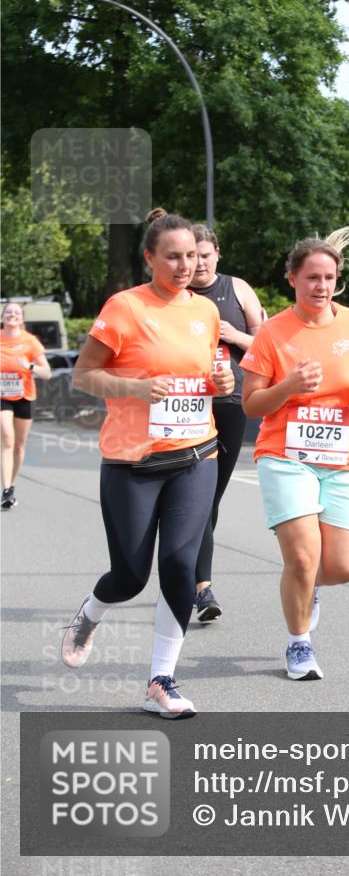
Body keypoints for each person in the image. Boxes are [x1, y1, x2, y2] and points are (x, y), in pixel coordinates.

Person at [61, 209, 234, 718]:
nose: (185, 266)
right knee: (131, 576)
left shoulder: (204, 312)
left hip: (195, 454)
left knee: (181, 564)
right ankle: (91, 613)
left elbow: (205, 371)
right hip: (132, 460)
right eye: (174, 257)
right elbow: (83, 376)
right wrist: (134, 388)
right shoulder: (124, 308)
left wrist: (219, 383)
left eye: (193, 256)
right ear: (150, 258)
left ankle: (162, 680)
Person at [240, 227, 349, 680]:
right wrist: (288, 387)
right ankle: (299, 643)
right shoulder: (272, 333)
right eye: (312, 278)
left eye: (328, 278)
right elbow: (251, 404)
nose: (321, 286)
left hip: (347, 456)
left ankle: (306, 589)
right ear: (292, 279)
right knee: (301, 558)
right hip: (286, 455)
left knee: (342, 567)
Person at [189, 225, 264, 622]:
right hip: (188, 406)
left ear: (217, 253)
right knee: (196, 498)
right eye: (191, 255)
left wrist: (235, 334)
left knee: (210, 497)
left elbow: (268, 344)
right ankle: (202, 587)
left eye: (205, 255)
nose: (198, 263)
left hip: (230, 403)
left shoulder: (237, 289)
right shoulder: (176, 294)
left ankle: (188, 572)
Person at [1, 302, 51, 509]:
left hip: (25, 397)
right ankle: (5, 490)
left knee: (19, 445)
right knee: (8, 438)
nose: (12, 315)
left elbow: (46, 373)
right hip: (2, 396)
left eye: (16, 313)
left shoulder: (30, 342)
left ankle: (11, 486)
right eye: (8, 312)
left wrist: (30, 366)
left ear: (21, 319)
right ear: (3, 317)